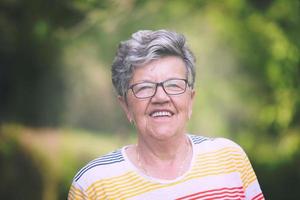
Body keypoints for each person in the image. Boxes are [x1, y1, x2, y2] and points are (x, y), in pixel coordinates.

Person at [68, 29, 264, 200]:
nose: (160, 97)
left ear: (191, 99)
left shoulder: (229, 160)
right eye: (144, 87)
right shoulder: (94, 185)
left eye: (173, 84)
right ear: (126, 106)